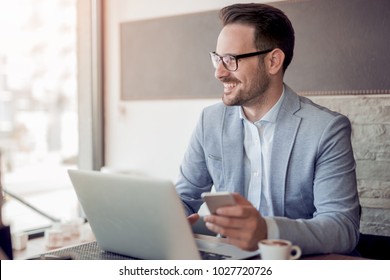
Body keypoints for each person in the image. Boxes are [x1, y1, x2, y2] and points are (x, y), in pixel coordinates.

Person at [175, 3, 360, 256]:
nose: (219, 72)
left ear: (273, 61)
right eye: (217, 58)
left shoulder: (326, 130)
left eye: (231, 60)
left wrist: (267, 230)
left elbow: (342, 228)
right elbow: (184, 199)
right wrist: (165, 221)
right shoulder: (210, 121)